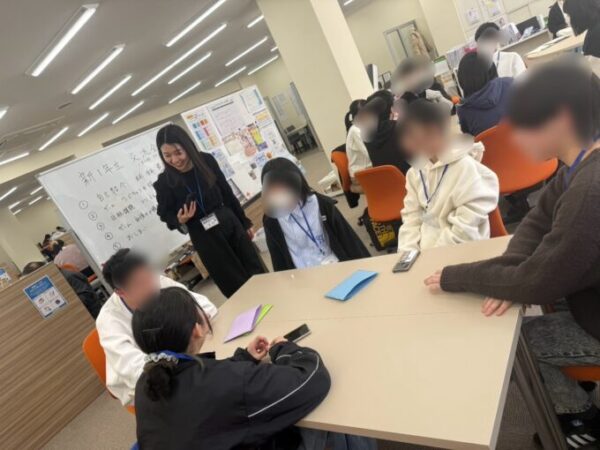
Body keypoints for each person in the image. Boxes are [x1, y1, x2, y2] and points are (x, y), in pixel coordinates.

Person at [424, 59, 600, 448]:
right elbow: (536, 222)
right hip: (587, 293)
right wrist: (511, 274)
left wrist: (458, 276)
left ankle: (579, 420)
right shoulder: (581, 161)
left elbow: (537, 282)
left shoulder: (590, 190)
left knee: (519, 342)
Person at [132, 286, 331, 449]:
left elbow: (214, 387)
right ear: (196, 330)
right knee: (327, 427)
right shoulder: (228, 383)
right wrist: (283, 348)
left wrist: (243, 359)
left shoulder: (147, 383)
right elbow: (313, 380)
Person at [154, 124, 266, 298]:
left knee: (254, 267)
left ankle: (274, 300)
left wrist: (244, 223)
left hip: (227, 221)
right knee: (231, 280)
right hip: (203, 235)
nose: (174, 160)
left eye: (178, 152)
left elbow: (227, 193)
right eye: (167, 155)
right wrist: (179, 220)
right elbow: (164, 214)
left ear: (187, 147)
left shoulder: (206, 161)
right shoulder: (164, 182)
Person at [95, 248, 217, 406]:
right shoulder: (109, 320)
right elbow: (134, 369)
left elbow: (205, 307)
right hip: (149, 383)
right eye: (139, 283)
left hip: (184, 357)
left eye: (149, 276)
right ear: (120, 292)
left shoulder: (159, 282)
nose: (151, 286)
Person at [397, 99, 498, 252]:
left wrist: (433, 258)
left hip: (460, 252)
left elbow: (465, 230)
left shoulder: (465, 169)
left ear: (436, 131)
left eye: (414, 136)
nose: (410, 144)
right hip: (425, 254)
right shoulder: (415, 172)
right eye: (408, 137)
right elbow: (411, 217)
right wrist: (407, 253)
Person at [261, 158, 370, 271]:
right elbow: (278, 261)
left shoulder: (321, 205)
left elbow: (350, 241)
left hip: (335, 266)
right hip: (301, 275)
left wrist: (367, 268)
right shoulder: (271, 220)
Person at [457, 51, 513, 136]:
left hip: (492, 145)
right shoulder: (510, 83)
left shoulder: (464, 110)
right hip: (526, 142)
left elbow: (469, 137)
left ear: (462, 79)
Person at [354, 90, 410, 174]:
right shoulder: (400, 129)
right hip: (411, 178)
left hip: (388, 181)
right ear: (391, 109)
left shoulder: (368, 138)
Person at [22, 261, 102, 319]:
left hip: (92, 315)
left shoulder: (68, 276)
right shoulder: (51, 283)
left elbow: (87, 296)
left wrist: (63, 307)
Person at [564, 0, 600, 75]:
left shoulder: (592, 39)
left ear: (578, 13)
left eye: (568, 15)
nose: (566, 20)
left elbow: (592, 74)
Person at [344, 99, 372, 185]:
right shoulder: (356, 130)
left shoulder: (364, 126)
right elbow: (369, 154)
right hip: (360, 174)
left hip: (368, 168)